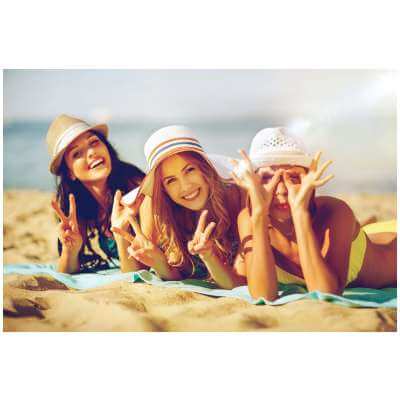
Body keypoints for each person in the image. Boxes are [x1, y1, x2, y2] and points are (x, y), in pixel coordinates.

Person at [232, 127, 396, 300]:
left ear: (309, 181)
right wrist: (259, 215)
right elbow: (263, 295)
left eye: (293, 178)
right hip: (367, 234)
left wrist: (300, 213)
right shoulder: (249, 218)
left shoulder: (335, 211)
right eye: (267, 179)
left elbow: (325, 294)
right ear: (253, 183)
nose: (281, 190)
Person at [112, 125, 246, 288]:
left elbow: (241, 283)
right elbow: (136, 276)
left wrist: (209, 257)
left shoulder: (234, 196)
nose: (185, 187)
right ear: (163, 189)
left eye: (189, 170)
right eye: (171, 180)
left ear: (205, 169)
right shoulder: (154, 207)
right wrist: (120, 234)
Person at [46, 114, 145, 273]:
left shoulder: (135, 189)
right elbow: (66, 273)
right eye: (77, 154)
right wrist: (70, 250)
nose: (91, 152)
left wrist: (122, 233)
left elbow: (136, 273)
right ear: (70, 173)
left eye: (94, 142)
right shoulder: (78, 206)